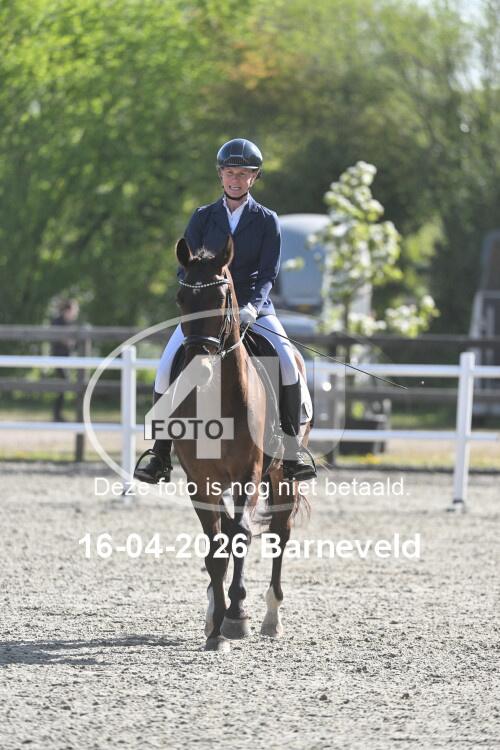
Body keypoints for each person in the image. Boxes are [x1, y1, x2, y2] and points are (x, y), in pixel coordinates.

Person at [134, 138, 316, 483]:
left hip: (254, 308)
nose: (236, 179)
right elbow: (185, 266)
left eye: (243, 174)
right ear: (220, 175)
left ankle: (292, 447)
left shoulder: (267, 220)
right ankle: (159, 452)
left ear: (254, 177)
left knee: (286, 360)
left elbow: (269, 273)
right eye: (230, 173)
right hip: (206, 310)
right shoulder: (203, 217)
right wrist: (195, 296)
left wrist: (252, 307)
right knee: (166, 367)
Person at [50, 299, 79, 422]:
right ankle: (57, 414)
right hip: (58, 358)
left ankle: (58, 413)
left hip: (67, 359)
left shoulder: (71, 323)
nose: (76, 312)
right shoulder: (57, 321)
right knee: (64, 383)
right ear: (68, 310)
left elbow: (75, 343)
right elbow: (58, 339)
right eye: (74, 309)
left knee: (64, 384)